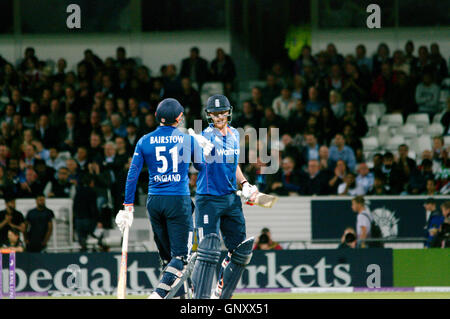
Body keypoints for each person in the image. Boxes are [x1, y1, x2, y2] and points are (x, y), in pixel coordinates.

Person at [115, 98, 208, 299]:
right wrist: (201, 147)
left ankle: (181, 297)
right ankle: (156, 296)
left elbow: (132, 174)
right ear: (179, 118)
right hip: (177, 201)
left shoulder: (144, 140)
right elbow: (201, 167)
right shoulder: (187, 139)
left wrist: (127, 205)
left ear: (158, 117)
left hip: (154, 202)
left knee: (168, 260)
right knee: (181, 258)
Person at [190, 94, 259, 299]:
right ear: (209, 115)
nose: (219, 116)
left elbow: (233, 164)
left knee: (240, 251)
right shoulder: (204, 137)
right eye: (215, 113)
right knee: (207, 252)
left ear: (228, 112)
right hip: (208, 199)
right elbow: (198, 167)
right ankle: (198, 297)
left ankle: (220, 293)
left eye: (222, 112)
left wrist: (245, 184)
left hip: (231, 199)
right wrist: (200, 150)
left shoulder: (235, 135)